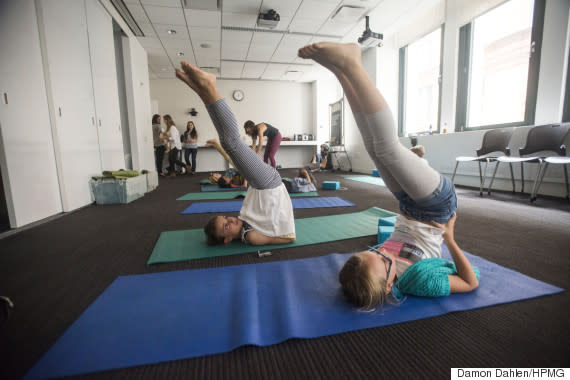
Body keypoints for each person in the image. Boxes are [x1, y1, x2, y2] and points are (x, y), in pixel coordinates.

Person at [298, 42, 479, 308]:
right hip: (437, 206)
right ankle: (352, 63)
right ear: (390, 284)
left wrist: (378, 256)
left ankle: (340, 72)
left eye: (373, 253)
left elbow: (382, 254)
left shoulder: (371, 267)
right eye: (383, 261)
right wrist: (449, 239)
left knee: (374, 149)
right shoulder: (418, 281)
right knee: (387, 147)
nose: (380, 253)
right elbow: (470, 283)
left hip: (406, 204)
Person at [175, 62, 295, 246]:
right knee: (231, 142)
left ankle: (203, 91)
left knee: (228, 144)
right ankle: (208, 87)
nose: (230, 220)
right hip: (268, 186)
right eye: (226, 227)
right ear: (228, 240)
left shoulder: (243, 227)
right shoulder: (249, 236)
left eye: (225, 218)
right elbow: (288, 238)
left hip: (261, 186)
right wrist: (283, 234)